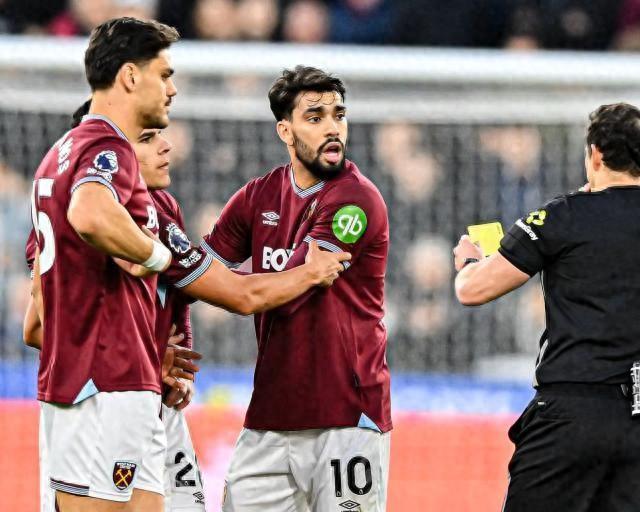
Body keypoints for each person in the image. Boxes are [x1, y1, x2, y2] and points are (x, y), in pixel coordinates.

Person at [202, 65, 391, 512]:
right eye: (315, 117)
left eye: (338, 115)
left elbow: (285, 295)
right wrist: (172, 337)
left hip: (345, 418)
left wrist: (226, 285)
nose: (333, 128)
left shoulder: (355, 200)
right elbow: (199, 274)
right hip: (270, 417)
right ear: (284, 130)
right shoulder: (257, 197)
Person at [453, 102, 640, 512]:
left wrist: (469, 261)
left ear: (595, 154)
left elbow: (473, 290)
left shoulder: (563, 216)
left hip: (572, 411)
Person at [28, 17, 182, 512]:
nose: (172, 89)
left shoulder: (59, 154)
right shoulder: (108, 147)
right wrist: (155, 255)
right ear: (131, 76)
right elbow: (90, 213)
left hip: (103, 378)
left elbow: (36, 321)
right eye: (164, 74)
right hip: (105, 384)